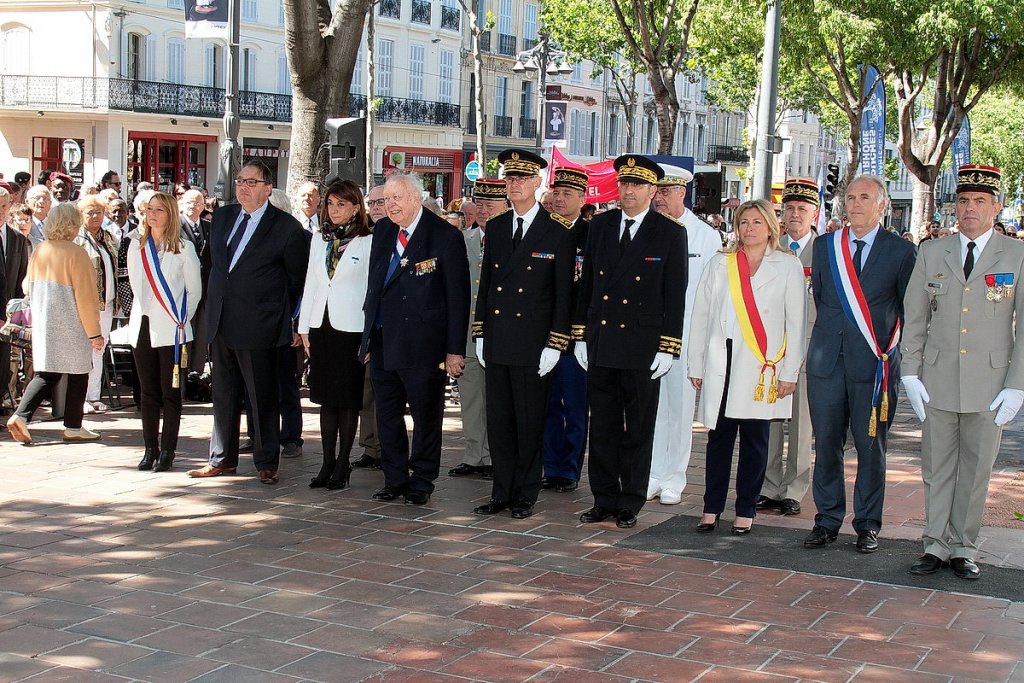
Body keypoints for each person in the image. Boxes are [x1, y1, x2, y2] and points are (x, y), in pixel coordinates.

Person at [901, 165, 1024, 580]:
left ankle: (964, 546)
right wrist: (909, 373)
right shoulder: (933, 252)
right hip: (936, 379)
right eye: (964, 201)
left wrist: (1017, 386)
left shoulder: (1017, 254)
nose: (970, 209)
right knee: (936, 467)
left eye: (980, 202)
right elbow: (915, 318)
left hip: (990, 384)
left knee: (975, 471)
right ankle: (934, 544)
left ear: (996, 207)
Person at [572, 155, 688, 529]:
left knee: (638, 428)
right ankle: (603, 498)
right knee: (603, 426)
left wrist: (668, 345)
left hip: (642, 346)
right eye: (624, 184)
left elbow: (675, 294)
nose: (628, 191)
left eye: (637, 185)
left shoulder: (669, 232)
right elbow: (586, 284)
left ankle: (630, 501)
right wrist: (580, 336)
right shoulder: (601, 226)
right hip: (603, 341)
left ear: (653, 190)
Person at [804, 175, 917, 553]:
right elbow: (822, 297)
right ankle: (827, 519)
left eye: (864, 197)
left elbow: (906, 310)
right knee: (827, 445)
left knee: (871, 448)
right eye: (850, 197)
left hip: (873, 365)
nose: (855, 204)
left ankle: (867, 523)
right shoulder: (825, 247)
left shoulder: (901, 252)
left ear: (882, 204)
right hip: (826, 363)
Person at [688, 200, 806, 534]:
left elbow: (795, 322)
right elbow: (702, 316)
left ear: (771, 226)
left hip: (761, 366)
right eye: (743, 222)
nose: (749, 228)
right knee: (719, 439)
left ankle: (745, 509)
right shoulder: (720, 263)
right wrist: (696, 362)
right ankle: (711, 507)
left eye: (756, 222)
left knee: (756, 441)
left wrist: (789, 371)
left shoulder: (787, 265)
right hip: (722, 361)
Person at [187, 162, 309, 485]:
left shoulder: (286, 228)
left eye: (251, 182)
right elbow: (216, 267)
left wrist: (290, 321)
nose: (243, 187)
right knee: (223, 394)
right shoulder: (223, 218)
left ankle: (267, 460)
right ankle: (222, 459)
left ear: (268, 188)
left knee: (261, 396)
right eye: (240, 181)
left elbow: (297, 282)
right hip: (221, 321)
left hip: (261, 326)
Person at [472, 150, 576, 520]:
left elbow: (564, 293)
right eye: (509, 178)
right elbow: (487, 286)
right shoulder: (498, 227)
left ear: (537, 183)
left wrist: (556, 341)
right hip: (499, 338)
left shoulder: (557, 229)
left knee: (529, 422)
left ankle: (525, 494)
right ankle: (501, 491)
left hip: (534, 342)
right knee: (499, 421)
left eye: (521, 178)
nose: (513, 184)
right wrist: (480, 331)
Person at [359, 173, 470, 506]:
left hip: (425, 345)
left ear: (416, 198)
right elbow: (375, 286)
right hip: (384, 340)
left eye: (397, 198)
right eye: (385, 199)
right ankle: (395, 478)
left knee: (426, 416)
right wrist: (366, 340)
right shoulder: (382, 231)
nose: (390, 206)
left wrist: (454, 350)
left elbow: (458, 297)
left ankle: (422, 480)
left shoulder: (445, 236)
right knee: (387, 415)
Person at [647, 165, 722, 505]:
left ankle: (674, 477)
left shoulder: (705, 236)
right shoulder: (647, 229)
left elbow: (712, 296)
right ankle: (651, 473)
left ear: (682, 193)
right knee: (650, 409)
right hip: (648, 336)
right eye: (656, 191)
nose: (659, 198)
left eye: (666, 192)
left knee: (679, 411)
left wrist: (705, 348)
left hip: (686, 338)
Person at [6, 203, 104, 443]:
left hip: (45, 320)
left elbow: (26, 286)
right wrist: (95, 333)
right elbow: (86, 297)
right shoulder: (76, 253)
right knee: (79, 372)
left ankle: (31, 417)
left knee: (48, 372)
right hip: (71, 322)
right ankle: (64, 424)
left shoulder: (40, 249)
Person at [298, 180, 373, 490]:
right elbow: (311, 285)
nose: (335, 209)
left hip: (351, 329)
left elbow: (372, 291)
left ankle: (343, 463)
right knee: (326, 400)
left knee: (347, 402)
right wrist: (303, 329)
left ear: (356, 207)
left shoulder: (368, 241)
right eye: (330, 204)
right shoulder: (319, 239)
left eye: (342, 204)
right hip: (321, 327)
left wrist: (370, 336)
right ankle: (326, 461)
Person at [126, 192, 202, 472]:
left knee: (170, 393)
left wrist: (181, 320)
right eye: (149, 210)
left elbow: (194, 292)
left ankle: (168, 450)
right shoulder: (137, 246)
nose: (153, 215)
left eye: (159, 210)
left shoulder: (184, 248)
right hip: (143, 325)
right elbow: (136, 286)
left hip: (172, 327)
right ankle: (149, 448)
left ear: (170, 214)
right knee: (148, 393)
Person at [758, 178, 819, 516]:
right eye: (789, 209)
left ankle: (794, 489)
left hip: (808, 350)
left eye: (802, 209)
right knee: (768, 419)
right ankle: (768, 485)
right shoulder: (769, 249)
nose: (795, 215)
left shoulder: (824, 252)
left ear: (815, 213)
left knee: (800, 424)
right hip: (770, 351)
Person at [449, 179, 506, 482]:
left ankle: (498, 457)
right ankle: (475, 456)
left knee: (497, 401)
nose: (484, 211)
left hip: (501, 336)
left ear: (505, 206)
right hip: (470, 334)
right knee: (470, 397)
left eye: (491, 205)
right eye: (480, 205)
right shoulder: (463, 240)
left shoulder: (513, 239)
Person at [541, 168, 591, 493]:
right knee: (546, 406)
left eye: (568, 194)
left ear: (583, 199)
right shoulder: (540, 231)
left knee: (573, 406)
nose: (560, 199)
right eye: (557, 193)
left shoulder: (591, 235)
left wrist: (584, 335)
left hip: (576, 338)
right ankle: (550, 466)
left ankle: (569, 469)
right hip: (543, 335)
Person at [74, 194, 119, 415]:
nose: (95, 216)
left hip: (107, 304)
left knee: (99, 351)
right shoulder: (77, 239)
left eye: (99, 212)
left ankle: (94, 396)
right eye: (90, 212)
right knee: (84, 350)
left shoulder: (108, 237)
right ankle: (80, 397)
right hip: (87, 304)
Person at [2, 191, 31, 408]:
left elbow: (21, 277)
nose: (0, 212)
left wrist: (15, 313)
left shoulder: (18, 238)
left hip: (7, 314)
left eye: (4, 206)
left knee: (3, 364)